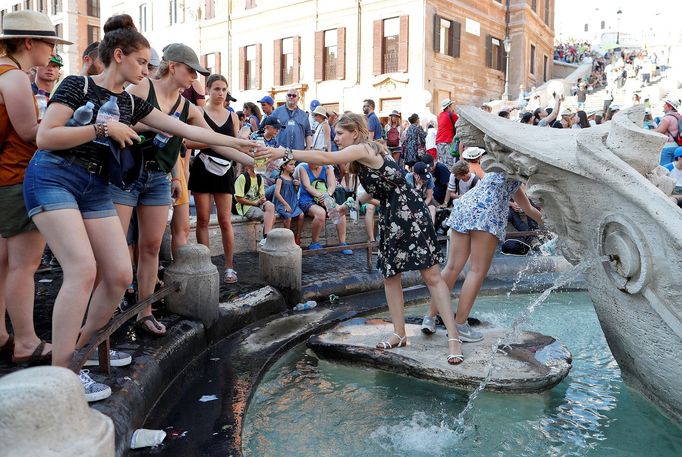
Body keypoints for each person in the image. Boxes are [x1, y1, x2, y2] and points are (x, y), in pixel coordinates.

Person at [27, 15, 257, 400]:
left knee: (118, 276)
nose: (146, 69)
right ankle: (60, 375)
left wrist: (241, 147)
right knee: (83, 269)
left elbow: (188, 130)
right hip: (55, 178)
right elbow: (45, 136)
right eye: (141, 62)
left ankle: (75, 358)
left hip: (96, 185)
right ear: (119, 56)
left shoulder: (130, 102)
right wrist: (103, 129)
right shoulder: (76, 84)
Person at [259, 113, 465, 364]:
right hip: (392, 214)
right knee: (390, 276)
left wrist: (285, 152)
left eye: (339, 134)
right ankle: (399, 334)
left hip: (409, 212)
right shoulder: (364, 155)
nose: (335, 138)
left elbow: (326, 158)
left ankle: (453, 337)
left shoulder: (364, 148)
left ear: (355, 132)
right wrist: (349, 205)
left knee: (431, 275)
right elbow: (376, 188)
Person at [0, 10, 71, 367]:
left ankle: (1, 334)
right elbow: (32, 134)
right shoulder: (12, 77)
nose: (52, 51)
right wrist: (66, 126)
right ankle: (26, 341)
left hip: (3, 178)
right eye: (49, 43)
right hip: (13, 178)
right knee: (23, 264)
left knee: (4, 262)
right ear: (29, 43)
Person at [421, 165, 543, 341]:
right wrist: (554, 227)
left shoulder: (499, 167)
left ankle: (430, 317)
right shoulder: (519, 171)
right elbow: (530, 209)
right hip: (487, 213)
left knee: (452, 267)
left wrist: (549, 225)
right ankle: (460, 325)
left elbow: (528, 208)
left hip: (466, 206)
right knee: (477, 271)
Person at [187, 74, 242, 284]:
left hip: (225, 169)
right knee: (202, 219)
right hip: (202, 168)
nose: (220, 93)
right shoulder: (198, 112)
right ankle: (206, 265)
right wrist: (212, 142)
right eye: (217, 89)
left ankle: (229, 266)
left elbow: (236, 144)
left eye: (224, 89)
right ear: (208, 90)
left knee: (225, 220)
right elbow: (187, 142)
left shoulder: (233, 116)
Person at [297, 160, 352, 254]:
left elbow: (332, 185)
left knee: (340, 211)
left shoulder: (328, 168)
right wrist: (321, 196)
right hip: (307, 199)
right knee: (320, 213)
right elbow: (307, 187)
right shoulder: (303, 168)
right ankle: (314, 243)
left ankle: (342, 243)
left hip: (325, 197)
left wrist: (327, 195)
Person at [234, 164, 276, 247]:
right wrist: (255, 203)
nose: (259, 166)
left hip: (257, 203)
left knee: (270, 206)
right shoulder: (242, 178)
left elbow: (262, 196)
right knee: (270, 217)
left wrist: (263, 199)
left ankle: (265, 238)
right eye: (256, 164)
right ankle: (266, 239)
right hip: (246, 207)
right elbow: (239, 199)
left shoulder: (259, 178)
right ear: (248, 166)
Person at [273, 159, 304, 244]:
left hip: (292, 203)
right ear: (283, 166)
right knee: (288, 217)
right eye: (291, 164)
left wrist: (297, 186)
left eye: (294, 164)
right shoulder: (280, 179)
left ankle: (297, 237)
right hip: (282, 204)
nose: (293, 166)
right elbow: (277, 193)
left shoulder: (292, 178)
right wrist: (286, 205)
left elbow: (294, 192)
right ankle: (287, 240)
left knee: (301, 215)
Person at [655, 98, 682, 165]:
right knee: (674, 168)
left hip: (668, 147)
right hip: (678, 146)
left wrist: (649, 130)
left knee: (665, 169)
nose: (663, 106)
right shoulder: (679, 116)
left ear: (670, 106)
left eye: (665, 104)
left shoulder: (667, 118)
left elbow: (661, 131)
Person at [436, 98, 458, 167]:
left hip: (439, 141)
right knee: (450, 163)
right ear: (448, 106)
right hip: (447, 141)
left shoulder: (440, 115)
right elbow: (459, 123)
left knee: (442, 163)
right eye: (451, 105)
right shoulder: (452, 114)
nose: (452, 107)